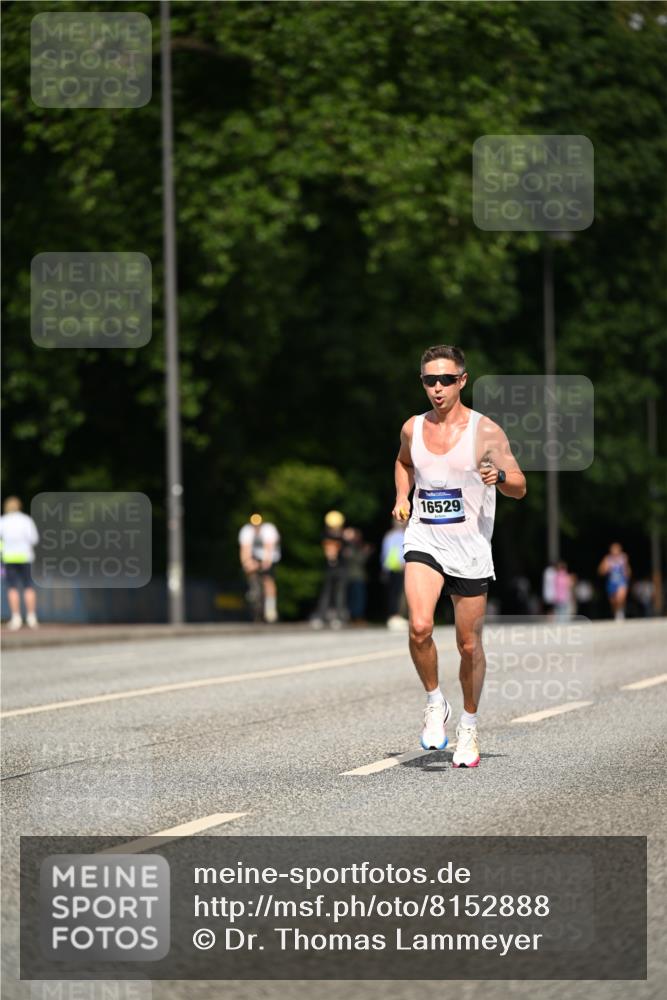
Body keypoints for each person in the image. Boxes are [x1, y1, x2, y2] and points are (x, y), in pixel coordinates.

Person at [392, 345, 526, 767]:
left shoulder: (485, 432)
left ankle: (468, 724)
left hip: (469, 548)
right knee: (418, 626)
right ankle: (436, 702)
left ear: (462, 380)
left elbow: (519, 485)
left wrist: (499, 476)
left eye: (446, 380)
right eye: (429, 380)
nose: (437, 388)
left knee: (468, 646)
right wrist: (402, 496)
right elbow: (403, 463)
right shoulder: (412, 428)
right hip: (425, 539)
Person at [0, 496, 40, 630]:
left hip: (9, 557)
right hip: (25, 557)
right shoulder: (26, 520)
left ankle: (16, 618)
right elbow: (34, 539)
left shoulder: (3, 521)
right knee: (28, 586)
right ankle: (31, 617)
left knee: (12, 588)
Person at [238, 513, 281, 623]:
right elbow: (244, 550)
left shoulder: (269, 530)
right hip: (255, 557)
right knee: (251, 576)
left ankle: (270, 609)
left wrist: (264, 564)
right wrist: (247, 564)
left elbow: (269, 548)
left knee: (268, 581)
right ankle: (253, 596)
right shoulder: (246, 531)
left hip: (271, 557)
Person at [310, 510, 349, 629]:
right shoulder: (327, 535)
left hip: (341, 568)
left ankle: (339, 617)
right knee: (326, 593)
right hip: (329, 568)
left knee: (340, 593)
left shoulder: (344, 536)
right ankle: (320, 617)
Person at [380, 517, 409, 630]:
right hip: (396, 567)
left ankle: (398, 616)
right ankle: (394, 616)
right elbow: (389, 552)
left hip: (396, 567)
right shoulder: (395, 536)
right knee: (396, 593)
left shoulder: (390, 535)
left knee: (400, 593)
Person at [342, 526, 373, 624]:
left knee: (356, 598)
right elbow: (359, 560)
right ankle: (355, 617)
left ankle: (356, 616)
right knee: (356, 598)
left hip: (355, 576)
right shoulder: (349, 547)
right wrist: (365, 553)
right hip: (354, 576)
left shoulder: (354, 547)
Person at [598, 542, 631, 621]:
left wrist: (627, 573)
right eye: (613, 549)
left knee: (621, 597)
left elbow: (628, 570)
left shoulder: (623, 558)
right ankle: (616, 612)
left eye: (617, 549)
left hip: (621, 581)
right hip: (611, 582)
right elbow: (600, 571)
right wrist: (605, 569)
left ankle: (620, 612)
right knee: (613, 602)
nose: (615, 551)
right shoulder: (607, 559)